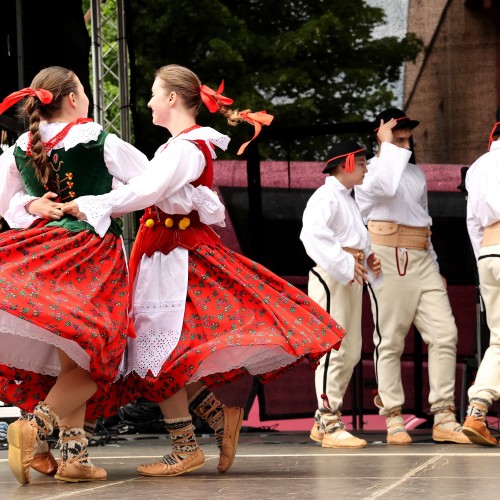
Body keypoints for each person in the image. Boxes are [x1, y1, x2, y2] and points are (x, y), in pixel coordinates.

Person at [63, 64, 347, 477]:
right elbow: (157, 189)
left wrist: (88, 204)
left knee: (158, 353)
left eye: (154, 94)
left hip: (175, 258)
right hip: (161, 253)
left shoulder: (185, 147)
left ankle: (186, 445)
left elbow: (148, 191)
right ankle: (216, 419)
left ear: (173, 99)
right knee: (160, 352)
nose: (148, 102)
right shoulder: (177, 147)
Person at [0, 65, 150, 485]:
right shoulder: (99, 139)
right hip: (88, 254)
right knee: (98, 354)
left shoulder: (20, 148)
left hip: (42, 255)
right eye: (83, 90)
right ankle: (35, 429)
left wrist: (32, 207)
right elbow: (148, 184)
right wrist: (98, 203)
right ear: (72, 99)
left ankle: (74, 457)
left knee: (74, 352)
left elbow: (6, 203)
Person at [354, 108, 469, 445]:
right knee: (389, 339)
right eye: (398, 137)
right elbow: (385, 186)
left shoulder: (417, 175)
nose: (405, 144)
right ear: (381, 136)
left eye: (407, 138)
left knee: (445, 333)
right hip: (387, 257)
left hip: (421, 257)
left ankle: (444, 415)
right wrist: (386, 146)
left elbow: (424, 220)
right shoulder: (370, 172)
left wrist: (434, 264)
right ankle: (393, 417)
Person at [300, 140, 382, 448]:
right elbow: (312, 235)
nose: (365, 167)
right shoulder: (325, 197)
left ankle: (325, 420)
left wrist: (367, 257)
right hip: (333, 275)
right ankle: (328, 419)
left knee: (350, 348)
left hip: (348, 273)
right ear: (346, 164)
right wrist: (348, 264)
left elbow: (356, 237)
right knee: (334, 347)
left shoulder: (347, 197)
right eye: (361, 162)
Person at [461, 120, 500, 446]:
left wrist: (483, 259)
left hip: (489, 253)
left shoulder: (479, 165)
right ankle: (476, 409)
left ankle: (477, 409)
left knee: (499, 340)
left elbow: (473, 221)